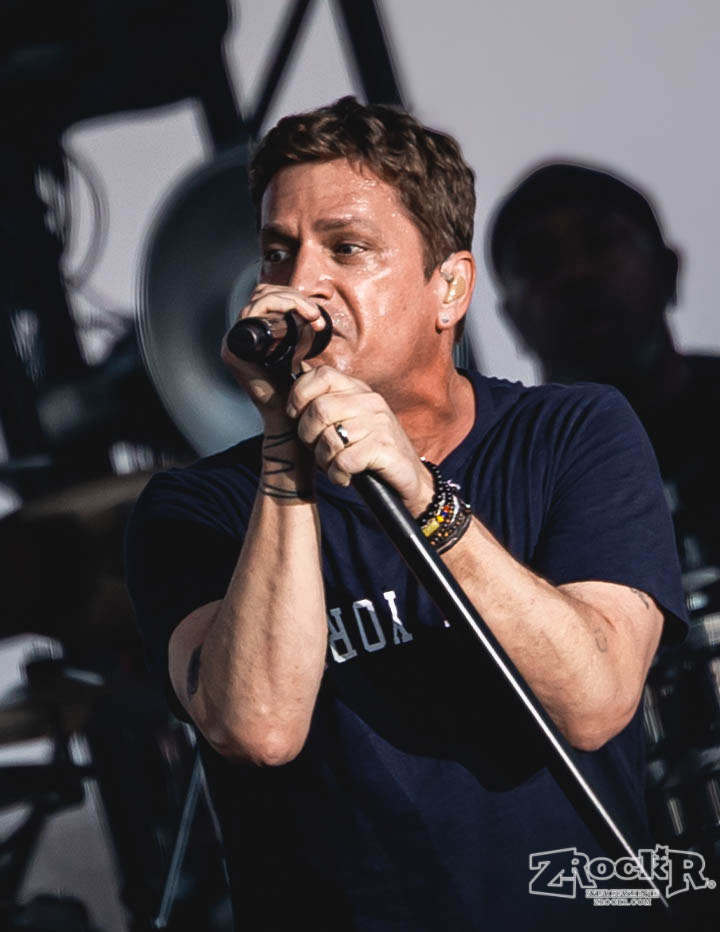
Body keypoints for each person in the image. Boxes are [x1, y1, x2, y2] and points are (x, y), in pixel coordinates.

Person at [126, 99, 687, 931]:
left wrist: (423, 496)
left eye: (346, 248)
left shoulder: (573, 432)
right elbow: (258, 727)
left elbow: (596, 699)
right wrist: (285, 454)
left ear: (448, 288)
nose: (299, 283)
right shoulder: (197, 509)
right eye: (278, 253)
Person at [486, 161, 720, 571]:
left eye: (600, 244)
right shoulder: (497, 485)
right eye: (539, 261)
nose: (575, 273)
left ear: (667, 271)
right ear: (512, 320)